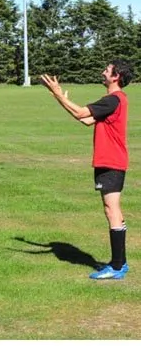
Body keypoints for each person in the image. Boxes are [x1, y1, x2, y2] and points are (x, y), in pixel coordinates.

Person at [41, 60, 134, 280]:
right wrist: (58, 97)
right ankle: (120, 263)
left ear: (116, 76)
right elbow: (85, 120)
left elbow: (82, 113)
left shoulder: (113, 100)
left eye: (107, 70)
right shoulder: (116, 101)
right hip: (110, 162)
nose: (103, 72)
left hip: (111, 162)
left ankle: (118, 266)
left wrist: (58, 93)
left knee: (112, 210)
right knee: (113, 210)